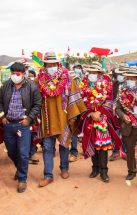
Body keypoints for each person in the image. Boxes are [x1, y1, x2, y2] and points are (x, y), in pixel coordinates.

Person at [36, 52, 86, 187]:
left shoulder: (67, 78)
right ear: (44, 65)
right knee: (47, 148)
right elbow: (35, 98)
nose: (51, 66)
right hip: (47, 119)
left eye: (53, 64)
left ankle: (64, 168)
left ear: (58, 64)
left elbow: (74, 97)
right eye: (48, 64)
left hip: (64, 117)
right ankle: (48, 175)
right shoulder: (39, 79)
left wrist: (73, 115)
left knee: (64, 144)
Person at [0, 62, 41, 193]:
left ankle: (22, 179)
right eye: (12, 73)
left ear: (23, 74)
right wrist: (2, 116)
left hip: (23, 125)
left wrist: (29, 119)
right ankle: (20, 168)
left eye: (17, 73)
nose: (15, 76)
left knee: (23, 154)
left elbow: (37, 104)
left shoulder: (32, 87)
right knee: (11, 151)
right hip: (8, 124)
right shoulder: (5, 86)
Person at [79, 62, 122, 182]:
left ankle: (104, 170)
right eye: (90, 72)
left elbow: (109, 102)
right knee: (91, 141)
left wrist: (100, 113)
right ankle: (95, 168)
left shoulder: (107, 83)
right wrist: (91, 113)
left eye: (94, 72)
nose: (92, 74)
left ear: (99, 73)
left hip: (103, 119)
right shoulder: (83, 84)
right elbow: (81, 102)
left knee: (102, 146)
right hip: (89, 118)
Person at [116, 66, 137, 192]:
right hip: (128, 128)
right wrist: (124, 116)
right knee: (130, 151)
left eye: (133, 78)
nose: (130, 80)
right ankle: (131, 171)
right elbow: (117, 109)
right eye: (128, 78)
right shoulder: (121, 91)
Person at [109, 63, 130, 161]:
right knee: (115, 133)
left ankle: (125, 152)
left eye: (123, 73)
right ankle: (115, 152)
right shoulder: (114, 84)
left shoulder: (130, 85)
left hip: (126, 112)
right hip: (115, 112)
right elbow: (111, 97)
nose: (121, 76)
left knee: (126, 133)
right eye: (120, 74)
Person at [69, 62, 84, 162]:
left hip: (84, 108)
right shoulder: (69, 79)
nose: (77, 69)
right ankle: (73, 152)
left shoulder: (86, 81)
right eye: (76, 67)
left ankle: (87, 148)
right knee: (73, 130)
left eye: (79, 67)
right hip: (73, 108)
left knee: (86, 129)